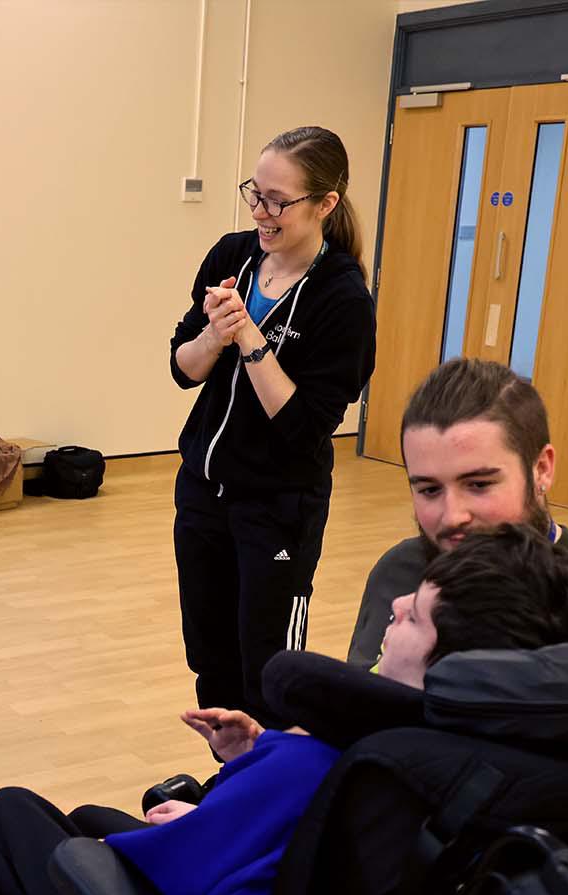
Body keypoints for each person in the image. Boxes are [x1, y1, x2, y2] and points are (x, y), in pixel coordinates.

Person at [0, 524, 568, 895]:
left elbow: (186, 873)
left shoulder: (324, 761)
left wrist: (200, 825)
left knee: (19, 817)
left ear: (460, 665)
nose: (396, 606)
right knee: (96, 815)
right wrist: (250, 762)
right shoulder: (474, 766)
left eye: (416, 614)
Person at [346, 358, 568, 777]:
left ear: (542, 469)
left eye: (479, 485)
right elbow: (358, 705)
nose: (452, 515)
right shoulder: (398, 571)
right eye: (429, 489)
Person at [168, 125, 377, 730]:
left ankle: (271, 790)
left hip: (279, 506)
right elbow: (183, 369)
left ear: (325, 204)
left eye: (277, 201)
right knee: (210, 659)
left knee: (270, 671)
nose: (261, 212)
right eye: (253, 194)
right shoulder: (231, 255)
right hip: (203, 494)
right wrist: (214, 332)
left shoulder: (341, 300)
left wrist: (252, 338)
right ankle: (230, 784)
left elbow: (301, 427)